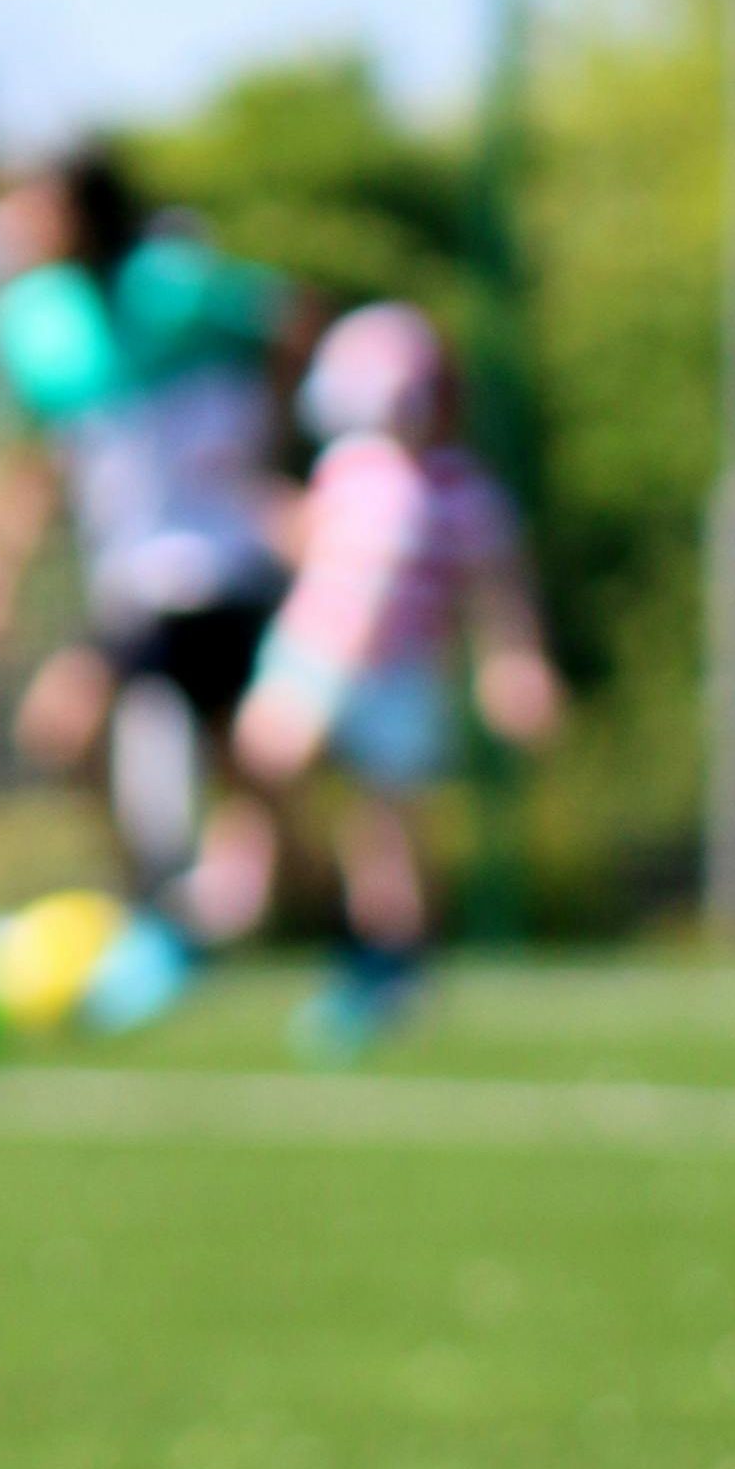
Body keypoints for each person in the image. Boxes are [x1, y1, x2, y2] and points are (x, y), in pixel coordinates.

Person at [0, 140, 299, 1026]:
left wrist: (267, 447)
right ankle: (165, 905)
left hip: (221, 566)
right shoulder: (32, 323)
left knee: (247, 765)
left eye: (26, 209)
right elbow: (38, 459)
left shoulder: (177, 287)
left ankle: (262, 921)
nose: (5, 230)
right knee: (70, 731)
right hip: (133, 579)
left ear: (79, 214)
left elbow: (293, 324)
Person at [234, 304, 559, 1056]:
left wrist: (516, 661)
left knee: (390, 831)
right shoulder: (351, 470)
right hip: (313, 654)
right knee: (268, 775)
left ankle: (389, 969)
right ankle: (243, 905)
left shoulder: (461, 489)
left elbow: (495, 584)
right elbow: (313, 541)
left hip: (398, 672)